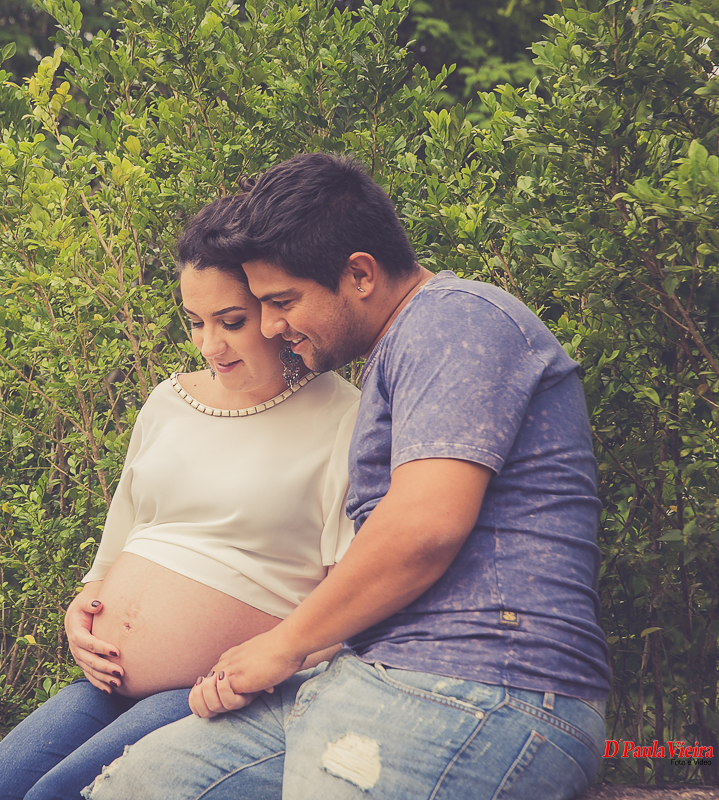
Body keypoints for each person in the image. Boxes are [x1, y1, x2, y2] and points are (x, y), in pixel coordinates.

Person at [82, 152, 612, 800]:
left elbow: (425, 524)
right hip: (364, 678)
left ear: (359, 273)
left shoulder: (456, 319)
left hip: (485, 686)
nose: (271, 325)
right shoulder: (393, 356)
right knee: (134, 786)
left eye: (281, 302)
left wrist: (283, 645)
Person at [0, 196, 361, 800]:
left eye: (231, 321)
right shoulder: (169, 400)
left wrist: (271, 666)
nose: (209, 346)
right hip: (105, 679)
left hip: (211, 686)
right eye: (195, 322)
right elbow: (122, 537)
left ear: (276, 311)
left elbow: (348, 597)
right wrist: (83, 607)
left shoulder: (340, 416)